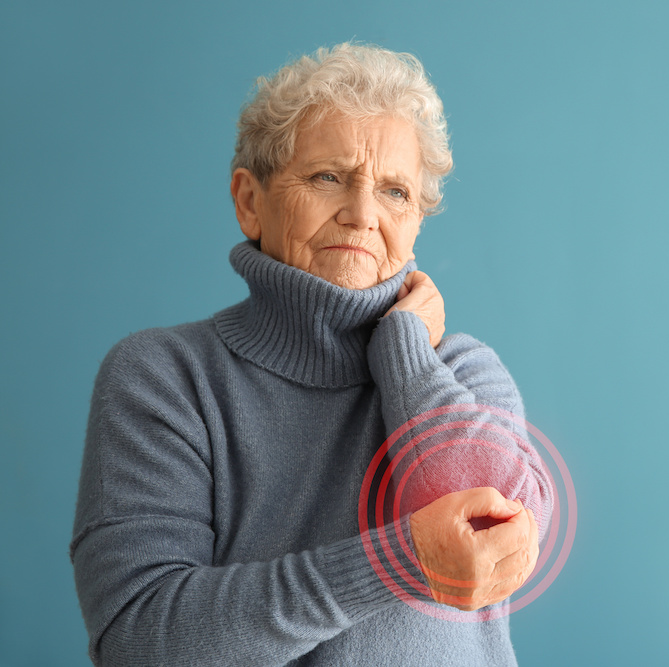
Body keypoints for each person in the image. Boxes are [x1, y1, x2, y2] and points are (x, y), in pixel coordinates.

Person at [70, 42, 553, 666]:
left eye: (395, 192)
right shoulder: (164, 378)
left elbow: (495, 541)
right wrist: (394, 563)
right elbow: (140, 640)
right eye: (328, 177)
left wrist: (404, 352)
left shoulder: (461, 371)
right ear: (250, 201)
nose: (362, 215)